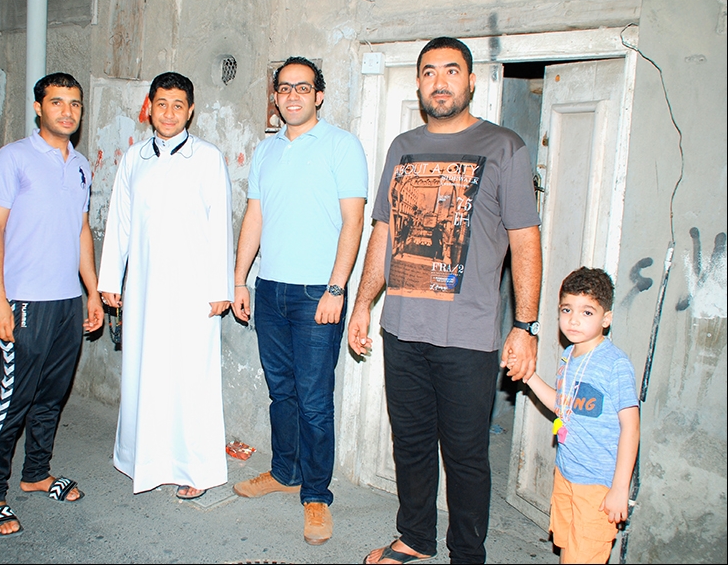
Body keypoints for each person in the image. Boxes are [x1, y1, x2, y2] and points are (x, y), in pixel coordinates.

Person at [349, 37, 543, 564]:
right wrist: (363, 303)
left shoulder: (503, 146)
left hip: (468, 336)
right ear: (419, 83)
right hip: (402, 327)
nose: (440, 82)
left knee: (465, 455)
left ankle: (466, 554)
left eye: (452, 71)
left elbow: (525, 239)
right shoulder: (402, 146)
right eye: (430, 72)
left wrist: (525, 325)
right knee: (410, 444)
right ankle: (415, 537)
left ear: (471, 81)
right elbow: (384, 230)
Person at [231, 56, 369, 545]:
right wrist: (240, 280)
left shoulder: (341, 146)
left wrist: (336, 288)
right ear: (275, 96)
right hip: (270, 289)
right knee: (282, 393)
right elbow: (255, 217)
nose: (292, 95)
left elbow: (353, 221)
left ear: (319, 95)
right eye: (284, 88)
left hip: (317, 294)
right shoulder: (265, 150)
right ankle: (284, 472)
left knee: (313, 401)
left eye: (302, 87)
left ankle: (316, 495)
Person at [0, 72, 104, 537]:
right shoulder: (13, 158)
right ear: (38, 107)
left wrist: (92, 291)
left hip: (67, 302)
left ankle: (36, 474)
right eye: (57, 102)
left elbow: (81, 230)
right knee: (13, 400)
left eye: (74, 103)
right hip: (23, 301)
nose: (67, 111)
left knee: (51, 397)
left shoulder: (82, 165)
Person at [97, 71, 234, 501]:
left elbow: (220, 224)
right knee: (144, 373)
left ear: (190, 111)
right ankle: (144, 460)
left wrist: (221, 288)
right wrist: (110, 278)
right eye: (161, 104)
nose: (169, 113)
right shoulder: (133, 159)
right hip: (143, 287)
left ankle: (196, 467)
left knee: (191, 377)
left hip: (194, 290)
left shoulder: (207, 158)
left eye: (178, 105)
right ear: (149, 108)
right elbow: (119, 221)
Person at [519, 267, 639, 564]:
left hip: (597, 484)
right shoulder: (569, 356)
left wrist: (619, 488)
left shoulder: (614, 365)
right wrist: (529, 376)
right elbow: (562, 406)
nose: (573, 319)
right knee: (568, 548)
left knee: (585, 554)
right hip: (567, 473)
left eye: (587, 312)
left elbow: (631, 428)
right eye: (567, 309)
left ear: (606, 319)